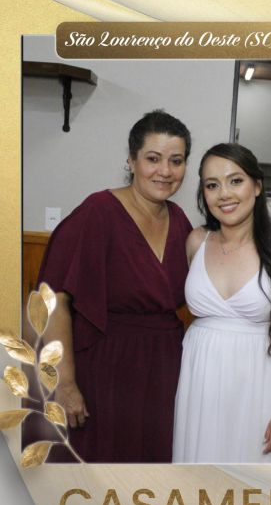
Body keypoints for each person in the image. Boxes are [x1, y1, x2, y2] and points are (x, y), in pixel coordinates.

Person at [38, 110, 192, 462]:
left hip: (163, 369)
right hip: (105, 367)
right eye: (153, 158)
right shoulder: (98, 211)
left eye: (176, 161)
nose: (165, 171)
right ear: (132, 160)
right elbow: (53, 300)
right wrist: (65, 382)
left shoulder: (180, 220)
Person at [173, 143, 271, 463]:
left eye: (235, 181)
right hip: (200, 381)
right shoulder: (196, 242)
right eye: (212, 185)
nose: (224, 194)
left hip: (259, 383)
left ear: (257, 186)